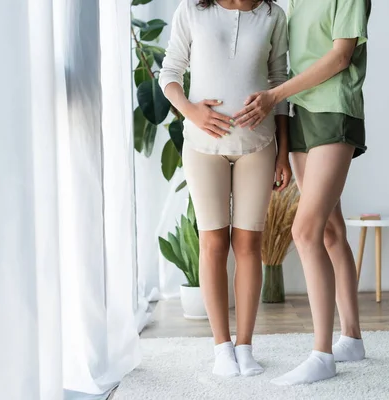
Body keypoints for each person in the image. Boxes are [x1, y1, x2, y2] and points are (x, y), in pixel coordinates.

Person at [233, 0, 371, 386]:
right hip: (300, 117)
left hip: (333, 111)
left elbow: (341, 57)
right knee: (329, 231)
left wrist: (274, 96)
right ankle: (353, 338)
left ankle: (322, 354)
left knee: (304, 231)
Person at [159, 0, 291, 378]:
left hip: (258, 146)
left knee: (249, 244)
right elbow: (169, 72)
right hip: (203, 148)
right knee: (213, 243)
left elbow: (280, 84)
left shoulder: (273, 16)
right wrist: (191, 110)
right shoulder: (192, 10)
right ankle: (222, 348)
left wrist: (282, 152)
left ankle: (246, 346)